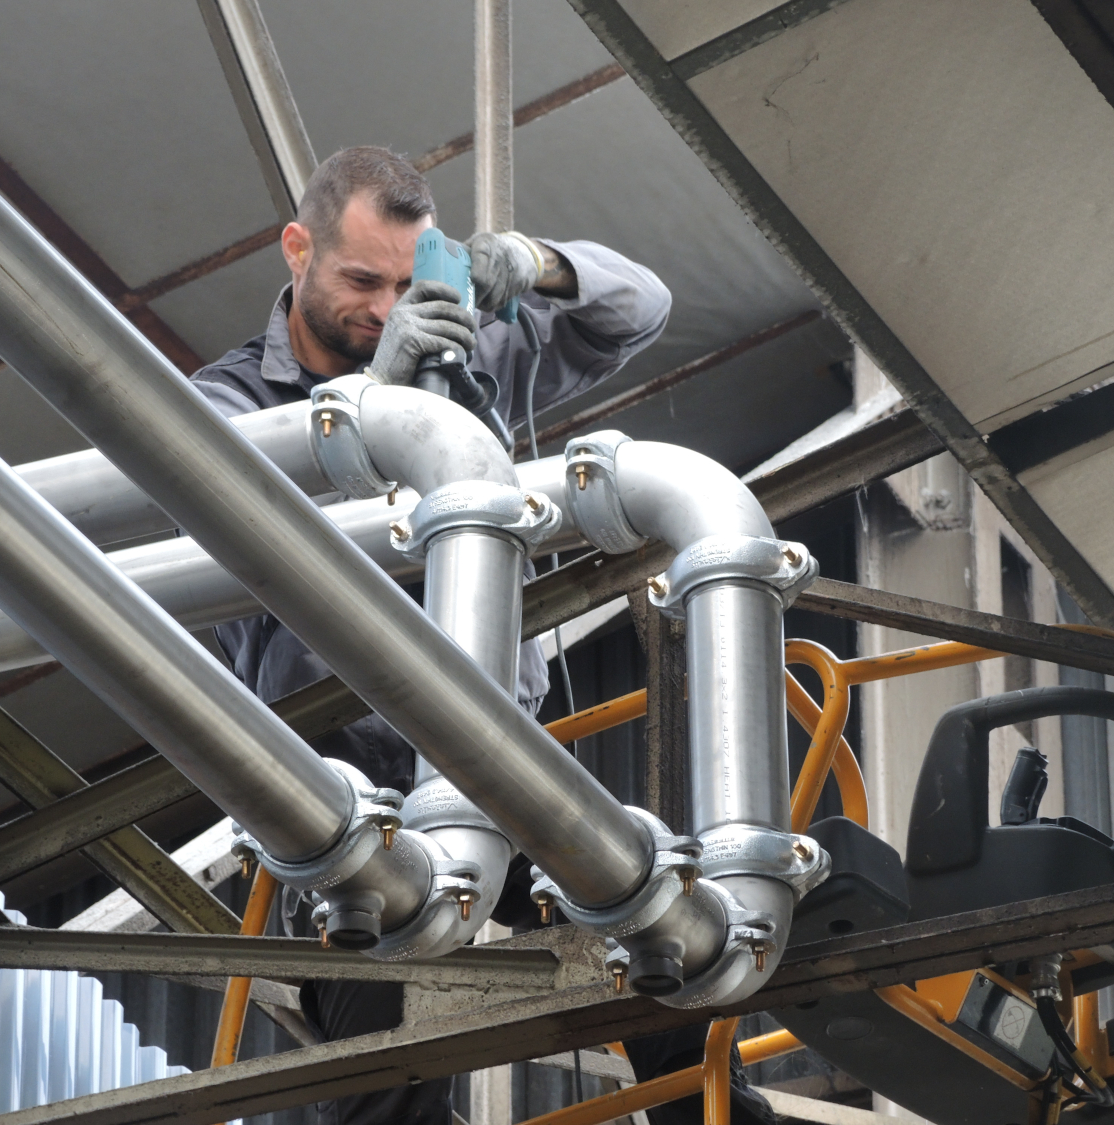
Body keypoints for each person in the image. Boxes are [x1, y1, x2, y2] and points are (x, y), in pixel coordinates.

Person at [191, 146, 763, 1125]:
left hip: (499, 747)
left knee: (656, 929)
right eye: (360, 281)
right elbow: (253, 527)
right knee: (389, 1064)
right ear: (296, 250)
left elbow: (642, 306)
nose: (383, 307)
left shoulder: (467, 351)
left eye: (407, 285)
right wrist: (383, 395)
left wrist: (532, 263)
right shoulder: (225, 404)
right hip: (339, 777)